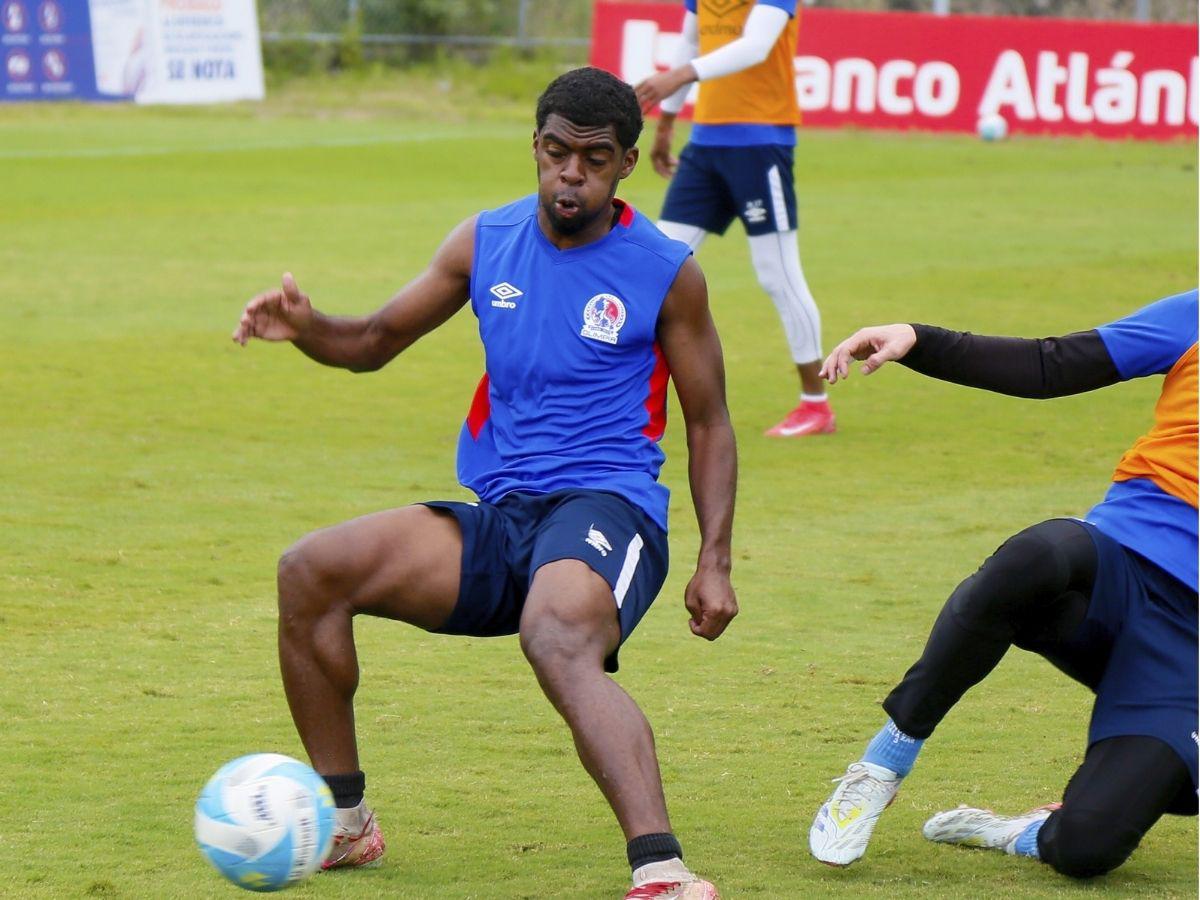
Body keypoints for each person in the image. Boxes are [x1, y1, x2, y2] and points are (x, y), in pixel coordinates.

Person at [231, 67, 737, 900]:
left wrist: (715, 557)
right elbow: (372, 341)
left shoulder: (665, 270)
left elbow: (711, 421)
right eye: (556, 152)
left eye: (595, 158)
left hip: (609, 508)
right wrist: (310, 328)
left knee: (555, 632)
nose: (571, 173)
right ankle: (346, 822)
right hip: (502, 517)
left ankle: (662, 870)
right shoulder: (484, 241)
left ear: (626, 166)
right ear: (534, 148)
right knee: (310, 572)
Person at [807, 290, 1198, 877]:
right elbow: (1052, 364)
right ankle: (882, 766)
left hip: (1184, 653)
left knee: (1087, 849)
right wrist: (920, 340)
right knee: (1035, 558)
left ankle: (1024, 832)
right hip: (1118, 565)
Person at [633, 0, 834, 437]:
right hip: (705, 145)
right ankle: (624, 396)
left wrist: (677, 78)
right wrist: (668, 119)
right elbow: (688, 43)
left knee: (776, 274)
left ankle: (815, 405)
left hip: (761, 143)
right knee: (653, 265)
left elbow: (755, 46)